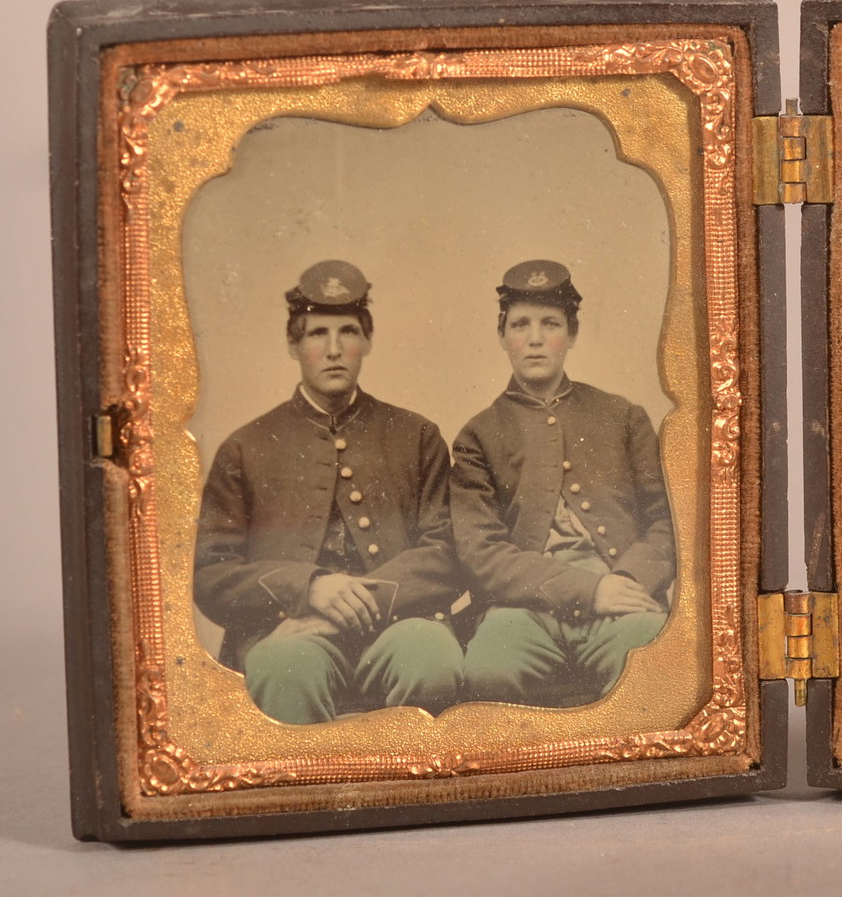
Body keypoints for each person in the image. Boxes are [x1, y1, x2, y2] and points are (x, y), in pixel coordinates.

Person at [193, 261, 466, 724]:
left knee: (433, 657)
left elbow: (449, 549)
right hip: (289, 630)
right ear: (293, 344)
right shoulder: (246, 446)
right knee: (283, 668)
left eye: (349, 332)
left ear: (368, 341)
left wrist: (359, 604)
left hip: (401, 625)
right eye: (318, 334)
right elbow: (211, 573)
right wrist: (309, 588)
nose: (335, 350)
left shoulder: (416, 435)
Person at [451, 260, 675, 706]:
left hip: (620, 586)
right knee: (488, 670)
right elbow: (482, 552)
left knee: (652, 667)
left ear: (571, 335)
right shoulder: (478, 434)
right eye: (520, 325)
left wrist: (627, 581)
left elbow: (667, 524)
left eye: (550, 324)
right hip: (522, 602)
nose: (534, 338)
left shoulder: (622, 417)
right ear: (502, 337)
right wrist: (588, 591)